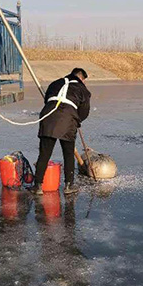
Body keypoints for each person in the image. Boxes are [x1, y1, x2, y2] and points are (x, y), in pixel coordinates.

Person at [32, 67, 91, 195]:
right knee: (68, 154)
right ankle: (69, 186)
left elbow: (47, 99)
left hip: (48, 117)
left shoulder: (55, 83)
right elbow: (84, 111)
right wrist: (77, 120)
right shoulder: (83, 89)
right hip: (68, 120)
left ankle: (37, 186)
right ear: (81, 77)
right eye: (84, 80)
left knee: (44, 153)